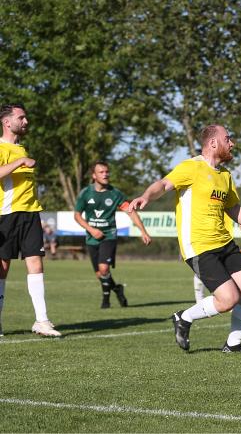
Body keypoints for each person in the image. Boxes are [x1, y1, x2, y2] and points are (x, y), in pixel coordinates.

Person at [129, 125, 241, 353]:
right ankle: (184, 317)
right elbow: (163, 184)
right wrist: (146, 196)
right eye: (228, 139)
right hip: (199, 246)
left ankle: (233, 344)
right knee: (228, 299)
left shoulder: (225, 176)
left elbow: (234, 209)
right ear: (213, 143)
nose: (232, 144)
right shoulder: (192, 167)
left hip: (225, 243)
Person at [0, 103, 61, 337]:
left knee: (36, 263)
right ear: (7, 122)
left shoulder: (22, 148)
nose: (26, 122)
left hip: (31, 213)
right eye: (21, 118)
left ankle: (42, 321)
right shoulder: (3, 148)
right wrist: (19, 163)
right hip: (6, 215)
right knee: (2, 268)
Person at [73, 161, 153, 308]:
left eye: (107, 172)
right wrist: (92, 230)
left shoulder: (115, 194)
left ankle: (106, 300)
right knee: (99, 274)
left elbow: (130, 211)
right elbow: (77, 216)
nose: (105, 174)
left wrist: (143, 231)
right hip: (91, 237)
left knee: (104, 269)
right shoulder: (86, 193)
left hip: (109, 236)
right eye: (101, 172)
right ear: (94, 175)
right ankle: (117, 289)